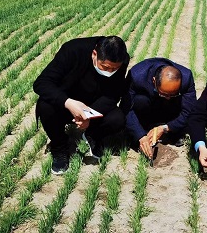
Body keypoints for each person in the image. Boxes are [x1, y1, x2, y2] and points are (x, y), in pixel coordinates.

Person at [33, 36, 130, 175]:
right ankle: (59, 147)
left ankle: (92, 134)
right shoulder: (73, 50)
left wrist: (88, 115)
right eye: (105, 67)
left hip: (93, 104)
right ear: (94, 54)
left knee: (117, 119)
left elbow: (112, 94)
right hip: (66, 103)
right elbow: (41, 83)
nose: (110, 72)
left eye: (114, 69)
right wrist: (69, 103)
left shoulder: (122, 60)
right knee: (45, 106)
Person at [120, 57, 196, 159]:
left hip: (169, 111)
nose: (168, 98)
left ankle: (173, 131)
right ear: (154, 80)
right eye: (164, 93)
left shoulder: (186, 77)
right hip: (147, 108)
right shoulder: (137, 75)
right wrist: (139, 135)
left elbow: (190, 111)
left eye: (172, 94)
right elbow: (126, 108)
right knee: (140, 100)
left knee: (179, 101)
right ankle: (143, 128)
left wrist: (166, 128)